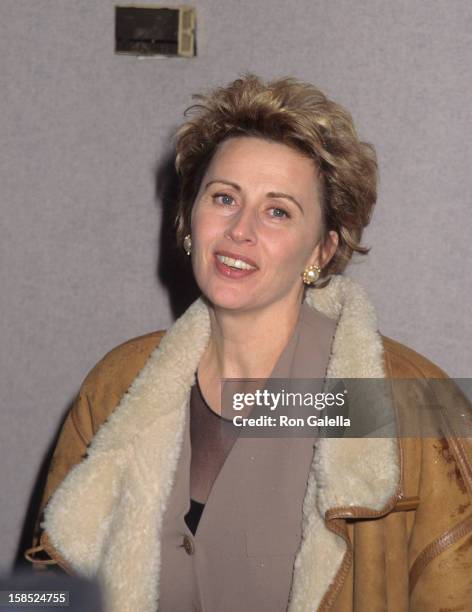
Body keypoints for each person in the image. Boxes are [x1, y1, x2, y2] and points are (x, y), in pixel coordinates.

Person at [25, 74, 472, 612]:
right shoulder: (116, 382)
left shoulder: (410, 405)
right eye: (224, 198)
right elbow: (46, 587)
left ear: (323, 250)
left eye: (278, 210)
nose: (241, 229)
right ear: (190, 220)